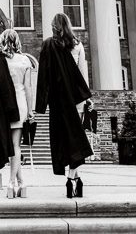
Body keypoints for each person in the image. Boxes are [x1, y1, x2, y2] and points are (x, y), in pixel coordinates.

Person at [35, 12, 93, 198]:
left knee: (63, 141)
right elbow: (82, 75)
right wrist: (87, 98)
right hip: (76, 100)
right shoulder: (77, 45)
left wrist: (40, 104)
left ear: (54, 27)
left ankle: (71, 180)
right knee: (76, 139)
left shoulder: (47, 45)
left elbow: (43, 76)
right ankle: (73, 179)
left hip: (58, 102)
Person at [0, 29, 32, 198]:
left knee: (12, 147)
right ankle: (13, 183)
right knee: (16, 146)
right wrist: (30, 109)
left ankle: (19, 182)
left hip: (2, 108)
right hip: (19, 105)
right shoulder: (25, 60)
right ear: (17, 41)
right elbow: (27, 88)